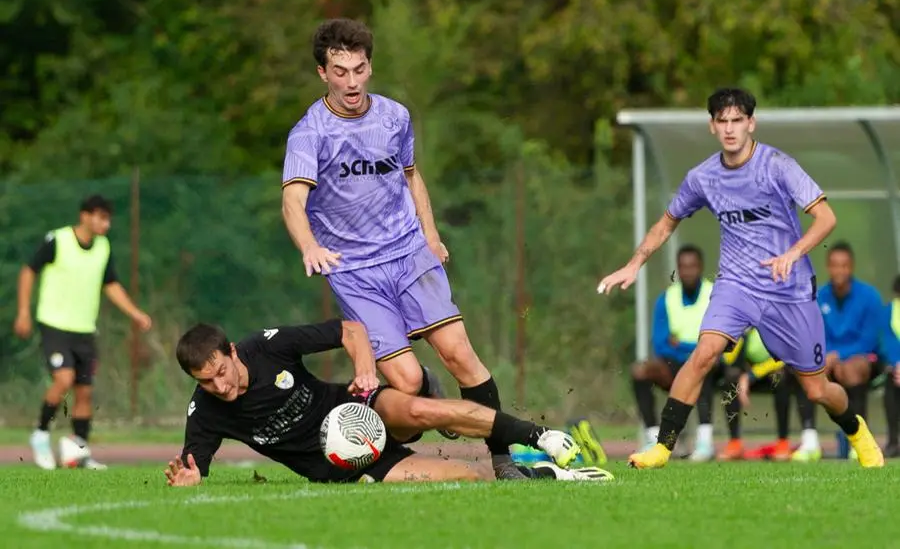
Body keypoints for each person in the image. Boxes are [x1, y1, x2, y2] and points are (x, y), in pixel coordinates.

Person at [279, 18, 525, 478]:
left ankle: (502, 459)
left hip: (408, 252)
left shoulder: (395, 116)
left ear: (370, 67)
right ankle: (422, 398)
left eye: (359, 69)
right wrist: (308, 245)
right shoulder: (310, 133)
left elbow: (411, 176)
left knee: (458, 352)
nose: (351, 81)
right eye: (340, 71)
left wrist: (430, 235)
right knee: (408, 382)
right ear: (322, 74)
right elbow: (293, 199)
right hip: (354, 272)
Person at [598, 87, 884, 469]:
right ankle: (663, 447)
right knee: (704, 354)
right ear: (712, 126)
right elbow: (667, 224)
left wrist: (793, 254)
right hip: (737, 285)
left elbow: (826, 218)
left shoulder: (777, 165)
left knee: (817, 389)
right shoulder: (702, 177)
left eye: (737, 120)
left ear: (752, 123)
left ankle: (854, 428)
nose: (730, 129)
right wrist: (634, 264)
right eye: (722, 121)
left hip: (789, 290)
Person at [163, 319, 612, 487]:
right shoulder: (205, 412)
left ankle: (544, 436)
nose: (219, 386)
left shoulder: (266, 347)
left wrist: (364, 369)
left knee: (422, 411)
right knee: (467, 480)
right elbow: (194, 466)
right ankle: (549, 475)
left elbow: (352, 330)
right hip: (346, 465)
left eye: (221, 372)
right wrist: (189, 477)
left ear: (233, 354)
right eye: (206, 382)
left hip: (356, 408)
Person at [14, 195, 152, 471]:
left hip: (84, 329)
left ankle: (77, 450)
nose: (105, 224)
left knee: (85, 392)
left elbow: (110, 284)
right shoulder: (59, 240)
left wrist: (135, 313)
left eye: (108, 219)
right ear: (85, 216)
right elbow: (29, 271)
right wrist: (23, 311)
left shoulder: (103, 247)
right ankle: (40, 435)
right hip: (54, 324)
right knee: (63, 379)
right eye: (100, 217)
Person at [628, 244, 719, 461]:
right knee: (640, 371)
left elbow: (720, 341)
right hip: (674, 365)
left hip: (710, 365)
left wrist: (682, 345)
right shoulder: (666, 299)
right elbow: (660, 344)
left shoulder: (714, 295)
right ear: (678, 269)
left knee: (703, 365)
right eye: (683, 267)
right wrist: (692, 348)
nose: (688, 271)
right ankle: (654, 439)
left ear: (701, 267)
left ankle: (705, 442)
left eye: (693, 266)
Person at [817, 242, 882, 449]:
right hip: (830, 361)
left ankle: (859, 441)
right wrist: (827, 357)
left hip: (864, 360)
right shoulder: (818, 297)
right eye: (835, 265)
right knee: (808, 371)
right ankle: (809, 438)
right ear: (828, 267)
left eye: (844, 265)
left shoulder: (870, 296)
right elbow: (818, 336)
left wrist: (838, 356)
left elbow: (869, 341)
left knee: (851, 370)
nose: (839, 270)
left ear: (851, 267)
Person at [721, 328, 821, 461]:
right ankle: (734, 442)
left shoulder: (775, 322)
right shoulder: (744, 325)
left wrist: (751, 376)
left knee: (781, 378)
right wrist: (740, 334)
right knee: (730, 378)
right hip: (749, 369)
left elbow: (782, 358)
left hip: (773, 368)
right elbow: (728, 359)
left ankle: (783, 441)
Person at [879, 275, 900, 457]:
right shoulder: (889, 311)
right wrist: (897, 364)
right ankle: (894, 441)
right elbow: (886, 342)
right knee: (891, 383)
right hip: (897, 370)